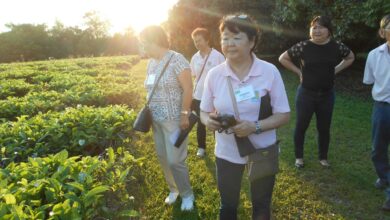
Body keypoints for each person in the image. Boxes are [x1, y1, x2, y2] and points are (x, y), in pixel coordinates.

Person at [200, 14, 290, 220]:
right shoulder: (215, 75)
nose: (229, 43)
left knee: (261, 206)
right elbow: (204, 111)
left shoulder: (269, 72)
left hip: (262, 150)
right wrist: (208, 121)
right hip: (226, 151)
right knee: (228, 206)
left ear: (252, 41)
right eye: (224, 38)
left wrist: (254, 126)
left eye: (236, 37)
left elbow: (283, 115)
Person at [279, 15, 355, 168]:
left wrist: (335, 70)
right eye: (314, 27)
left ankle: (323, 158)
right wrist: (299, 72)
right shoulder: (303, 46)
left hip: (327, 95)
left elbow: (350, 57)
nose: (317, 30)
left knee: (324, 128)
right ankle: (299, 157)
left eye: (321, 27)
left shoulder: (336, 46)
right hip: (306, 94)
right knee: (301, 126)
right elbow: (283, 58)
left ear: (329, 31)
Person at [139, 25, 195, 211]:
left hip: (174, 120)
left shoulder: (177, 60)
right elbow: (150, 86)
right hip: (156, 120)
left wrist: (184, 114)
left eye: (145, 43)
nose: (143, 48)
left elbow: (188, 88)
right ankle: (174, 190)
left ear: (155, 41)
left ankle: (187, 194)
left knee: (175, 160)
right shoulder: (151, 63)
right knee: (163, 157)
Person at [363, 14, 390, 210]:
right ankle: (384, 176)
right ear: (382, 32)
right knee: (377, 150)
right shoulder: (374, 55)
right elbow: (370, 80)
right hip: (382, 108)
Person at [190, 27, 225, 157]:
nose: (197, 43)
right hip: (199, 96)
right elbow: (193, 75)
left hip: (215, 97)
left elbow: (224, 76)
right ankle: (201, 147)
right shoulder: (194, 58)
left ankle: (219, 147)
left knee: (216, 121)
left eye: (199, 40)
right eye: (195, 41)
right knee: (200, 123)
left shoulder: (218, 57)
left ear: (207, 40)